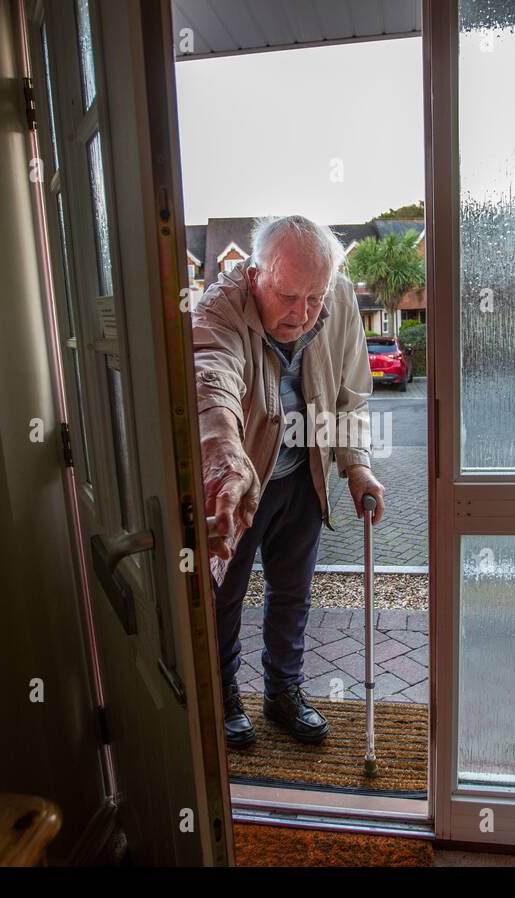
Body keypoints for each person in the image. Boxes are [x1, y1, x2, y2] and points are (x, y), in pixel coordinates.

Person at [193, 215, 385, 747]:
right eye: (287, 296)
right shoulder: (218, 308)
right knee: (224, 593)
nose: (301, 314)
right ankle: (225, 694)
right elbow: (210, 382)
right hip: (243, 480)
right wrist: (226, 461)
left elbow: (349, 392)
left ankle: (283, 691)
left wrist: (358, 464)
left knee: (293, 592)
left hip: (305, 473)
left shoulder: (338, 299)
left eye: (314, 298)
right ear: (255, 275)